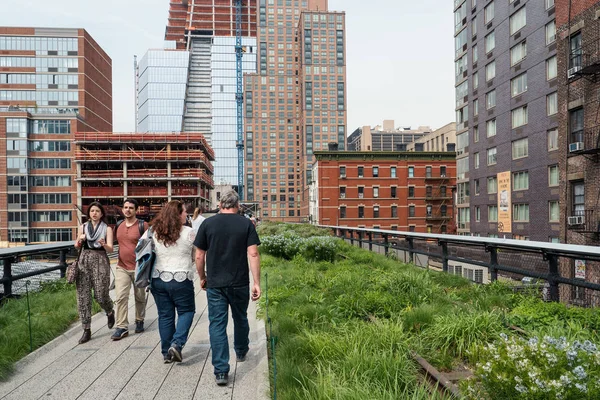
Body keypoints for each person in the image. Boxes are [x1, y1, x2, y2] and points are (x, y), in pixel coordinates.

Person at [194, 190, 261, 386]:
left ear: (220, 204)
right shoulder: (246, 224)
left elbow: (199, 255)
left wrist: (202, 277)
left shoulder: (207, 224)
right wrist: (256, 282)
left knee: (217, 325)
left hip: (215, 284)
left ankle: (221, 371)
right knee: (240, 317)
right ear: (238, 205)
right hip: (240, 282)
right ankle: (240, 351)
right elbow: (254, 254)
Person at [148, 200, 196, 363]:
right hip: (182, 278)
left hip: (158, 278)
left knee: (165, 316)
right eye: (184, 212)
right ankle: (177, 344)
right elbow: (199, 253)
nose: (186, 215)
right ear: (177, 215)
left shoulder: (155, 231)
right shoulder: (189, 232)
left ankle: (165, 352)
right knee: (186, 311)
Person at [74, 202, 115, 344]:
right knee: (83, 296)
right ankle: (86, 329)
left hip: (101, 260)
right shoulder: (83, 227)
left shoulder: (107, 229)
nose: (94, 213)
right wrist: (80, 240)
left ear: (102, 214)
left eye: (97, 211)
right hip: (84, 261)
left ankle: (109, 311)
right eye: (92, 210)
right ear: (89, 213)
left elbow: (110, 249)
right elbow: (76, 245)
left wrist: (104, 244)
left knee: (101, 294)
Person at [111, 199, 149, 341]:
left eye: (131, 208)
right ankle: (121, 327)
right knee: (121, 297)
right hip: (122, 267)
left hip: (139, 267)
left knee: (139, 297)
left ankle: (139, 319)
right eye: (125, 207)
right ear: (122, 209)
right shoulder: (119, 225)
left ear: (136, 210)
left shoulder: (142, 225)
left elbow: (150, 245)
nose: (127, 210)